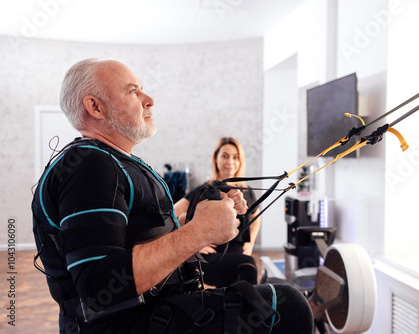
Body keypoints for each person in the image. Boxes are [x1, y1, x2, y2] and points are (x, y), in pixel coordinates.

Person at [31, 58, 314, 333]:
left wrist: (207, 223)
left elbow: (138, 240)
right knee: (289, 306)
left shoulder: (110, 162)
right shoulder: (89, 166)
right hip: (126, 323)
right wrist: (199, 231)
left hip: (157, 309)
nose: (149, 98)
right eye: (132, 90)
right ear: (95, 107)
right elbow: (99, 288)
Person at [174, 137, 261, 287]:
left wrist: (251, 242)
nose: (230, 162)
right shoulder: (205, 190)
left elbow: (255, 217)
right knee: (249, 266)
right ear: (216, 159)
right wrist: (194, 243)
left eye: (235, 157)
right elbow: (173, 214)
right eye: (225, 156)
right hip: (212, 257)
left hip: (238, 255)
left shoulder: (247, 191)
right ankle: (253, 310)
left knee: (236, 290)